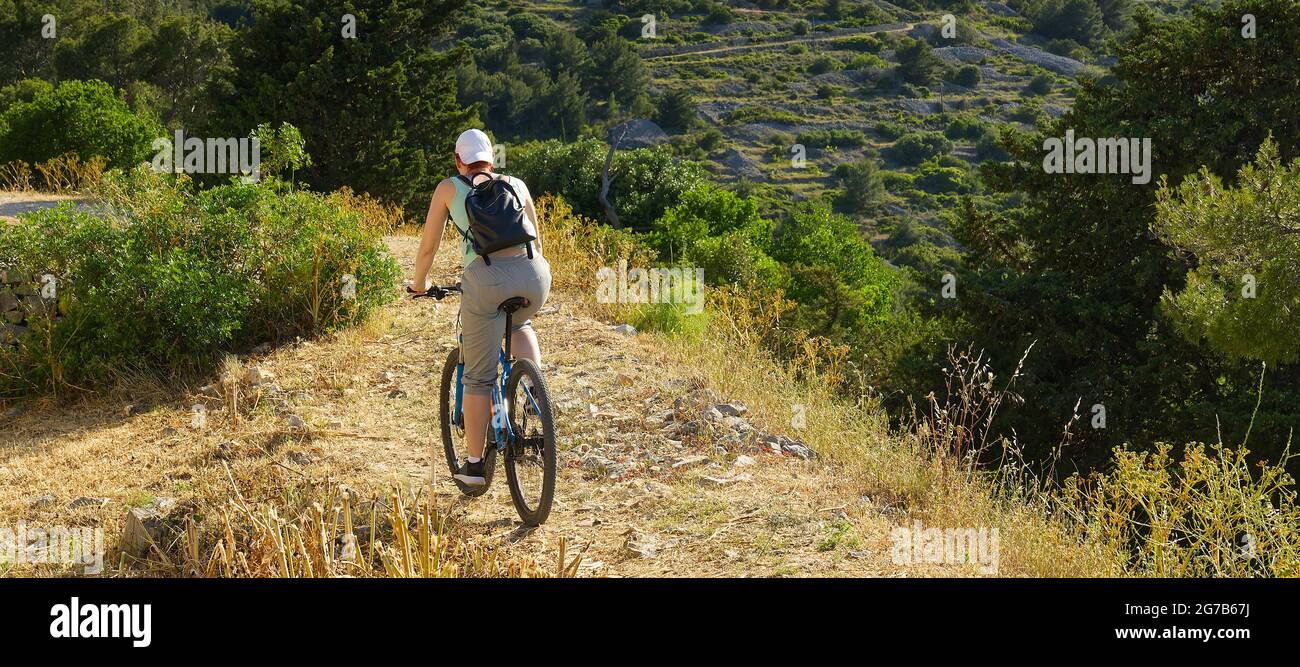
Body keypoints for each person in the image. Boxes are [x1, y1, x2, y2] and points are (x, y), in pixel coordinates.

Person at [409, 129, 551, 486]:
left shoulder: (449, 187)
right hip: (535, 274)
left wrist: (419, 284)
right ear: (492, 159)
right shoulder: (515, 183)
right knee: (519, 324)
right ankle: (537, 395)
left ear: (459, 161)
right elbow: (536, 234)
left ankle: (473, 466)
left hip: (486, 279)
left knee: (476, 375)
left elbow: (429, 247)